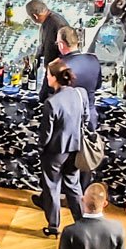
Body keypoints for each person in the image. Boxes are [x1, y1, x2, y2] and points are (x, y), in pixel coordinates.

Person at [37, 59, 88, 236]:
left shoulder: (51, 103)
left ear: (53, 78)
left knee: (52, 188)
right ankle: (82, 222)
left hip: (54, 152)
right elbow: (86, 119)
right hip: (75, 149)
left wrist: (40, 148)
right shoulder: (80, 94)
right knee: (73, 186)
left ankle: (53, 226)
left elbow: (46, 134)